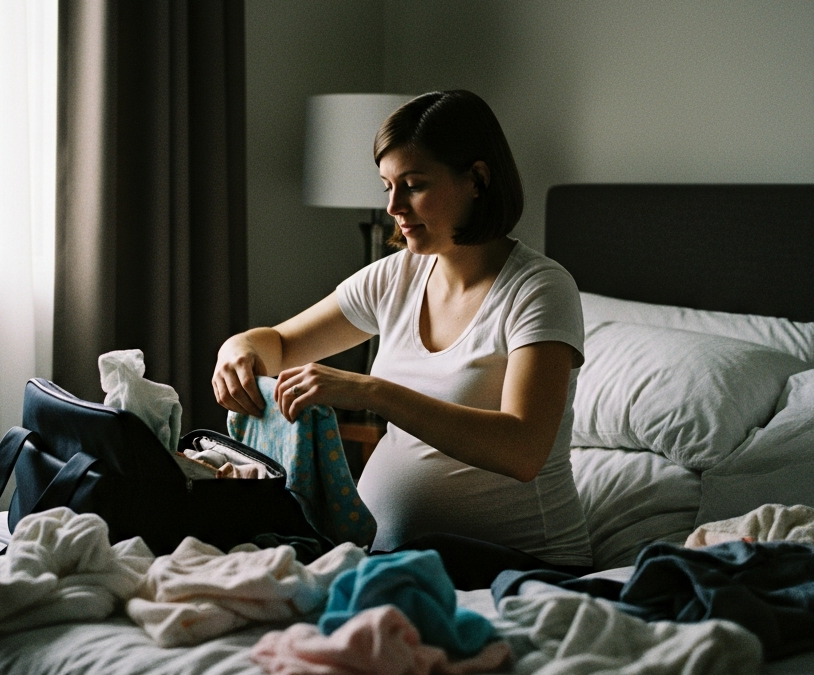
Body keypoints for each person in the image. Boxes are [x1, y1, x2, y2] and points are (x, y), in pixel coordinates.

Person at [213, 90, 592, 584]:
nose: (393, 206)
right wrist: (237, 349)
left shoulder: (539, 289)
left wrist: (369, 391)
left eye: (413, 186)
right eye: (387, 186)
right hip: (391, 557)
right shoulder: (396, 276)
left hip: (526, 566)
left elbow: (521, 450)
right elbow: (279, 345)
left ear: (477, 179)